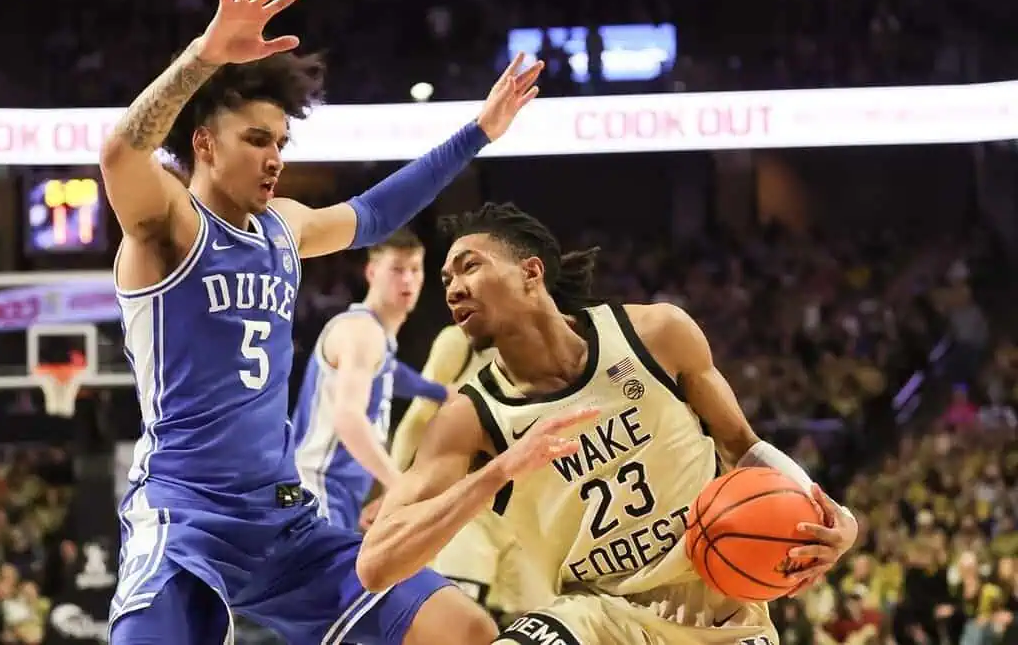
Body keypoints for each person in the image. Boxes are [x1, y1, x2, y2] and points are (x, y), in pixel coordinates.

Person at [101, 0, 541, 641]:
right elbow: (120, 155)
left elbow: (376, 209)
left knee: (465, 629)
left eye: (281, 141)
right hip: (188, 518)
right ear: (205, 143)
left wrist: (478, 131)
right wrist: (202, 59)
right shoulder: (170, 227)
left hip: (285, 524)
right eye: (257, 140)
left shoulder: (287, 226)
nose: (275, 156)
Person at [359, 202, 859, 645]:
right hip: (595, 616)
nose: (453, 289)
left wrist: (835, 516)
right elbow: (376, 562)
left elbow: (743, 446)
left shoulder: (657, 334)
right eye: (445, 280)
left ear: (531, 273)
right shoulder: (472, 418)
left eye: (469, 267)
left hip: (719, 605)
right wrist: (497, 472)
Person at [389, 323, 551, 626]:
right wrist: (396, 491)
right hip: (468, 506)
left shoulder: (562, 349)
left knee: (529, 624)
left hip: (531, 517)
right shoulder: (459, 343)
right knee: (453, 621)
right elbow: (419, 418)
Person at [292, 228, 450, 530]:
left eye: (414, 269)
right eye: (397, 269)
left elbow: (393, 373)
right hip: (317, 490)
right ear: (372, 272)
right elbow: (348, 418)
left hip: (337, 495)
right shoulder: (361, 332)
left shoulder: (379, 340)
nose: (407, 279)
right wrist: (397, 485)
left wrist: (441, 392)